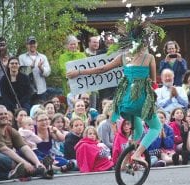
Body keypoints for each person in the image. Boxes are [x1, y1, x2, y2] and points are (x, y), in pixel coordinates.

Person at [67, 8, 164, 167]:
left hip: (124, 102)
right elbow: (153, 83)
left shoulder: (123, 57)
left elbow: (101, 69)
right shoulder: (149, 58)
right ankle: (138, 154)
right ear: (144, 42)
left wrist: (78, 72)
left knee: (137, 131)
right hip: (140, 100)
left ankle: (127, 160)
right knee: (155, 127)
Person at [0, 105, 46, 180]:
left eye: (5, 114)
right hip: (3, 160)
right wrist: (24, 163)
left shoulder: (11, 130)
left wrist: (37, 163)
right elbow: (5, 150)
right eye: (0, 114)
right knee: (1, 157)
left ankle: (37, 168)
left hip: (8, 163)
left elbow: (24, 147)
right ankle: (31, 171)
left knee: (26, 155)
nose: (4, 116)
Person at [19, 36, 51, 105]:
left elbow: (48, 73)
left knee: (42, 112)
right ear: (26, 45)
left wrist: (41, 68)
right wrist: (30, 68)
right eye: (30, 44)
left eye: (34, 43)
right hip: (28, 92)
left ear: (37, 44)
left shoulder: (43, 57)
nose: (32, 45)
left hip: (42, 90)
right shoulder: (21, 57)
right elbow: (20, 74)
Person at [0, 37, 10, 105]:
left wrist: (7, 66)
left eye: (3, 45)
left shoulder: (11, 58)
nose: (1, 48)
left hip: (8, 93)